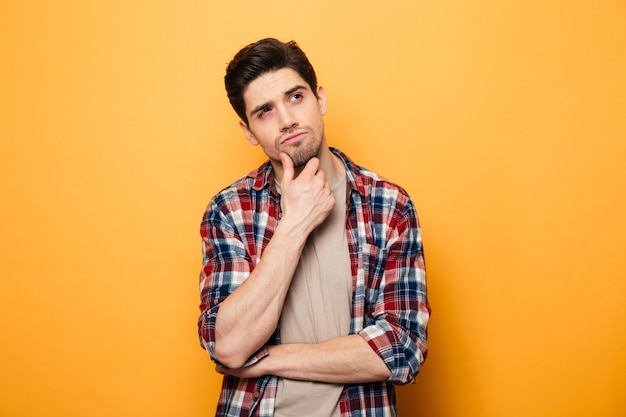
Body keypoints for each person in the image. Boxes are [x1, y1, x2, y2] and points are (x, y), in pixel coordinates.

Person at [198, 38, 430, 417]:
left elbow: (401, 349)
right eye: (264, 111)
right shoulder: (229, 210)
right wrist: (295, 224)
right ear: (249, 131)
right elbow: (230, 346)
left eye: (295, 97)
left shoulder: (389, 206)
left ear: (319, 99)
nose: (286, 120)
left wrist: (273, 359)